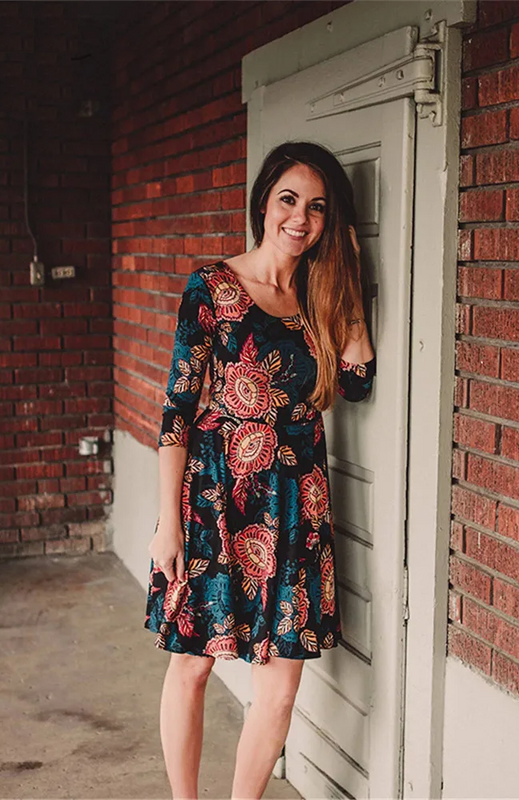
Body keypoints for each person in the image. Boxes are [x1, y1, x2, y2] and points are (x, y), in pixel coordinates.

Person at [144, 141, 376, 799]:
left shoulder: (319, 295)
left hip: (296, 505)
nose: (300, 218)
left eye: (318, 208)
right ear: (265, 203)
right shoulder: (212, 287)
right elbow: (176, 413)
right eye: (289, 199)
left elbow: (357, 380)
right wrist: (169, 526)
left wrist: (349, 277)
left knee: (280, 687)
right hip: (215, 502)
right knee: (192, 665)